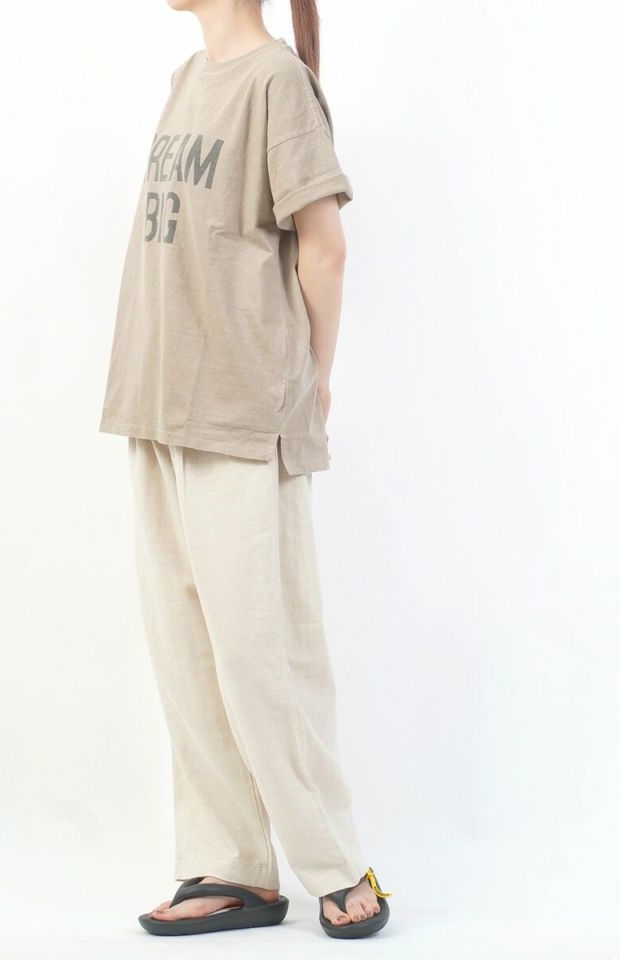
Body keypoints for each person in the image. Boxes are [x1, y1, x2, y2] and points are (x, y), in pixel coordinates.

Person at [99, 0, 392, 939]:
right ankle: (231, 864)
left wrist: (316, 376)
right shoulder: (188, 79)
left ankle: (336, 863)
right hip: (159, 398)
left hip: (236, 405)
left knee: (264, 652)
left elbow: (324, 246)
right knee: (187, 652)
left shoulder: (277, 83)